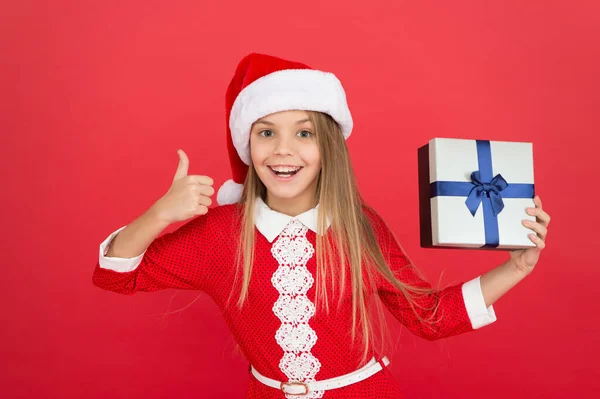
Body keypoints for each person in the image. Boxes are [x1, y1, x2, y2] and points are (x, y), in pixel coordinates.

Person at [92, 53, 551, 399]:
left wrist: (516, 268)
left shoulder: (359, 227)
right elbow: (115, 275)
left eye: (304, 132)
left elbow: (430, 318)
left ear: (328, 145)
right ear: (248, 146)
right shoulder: (219, 234)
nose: (283, 150)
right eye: (266, 132)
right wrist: (160, 214)